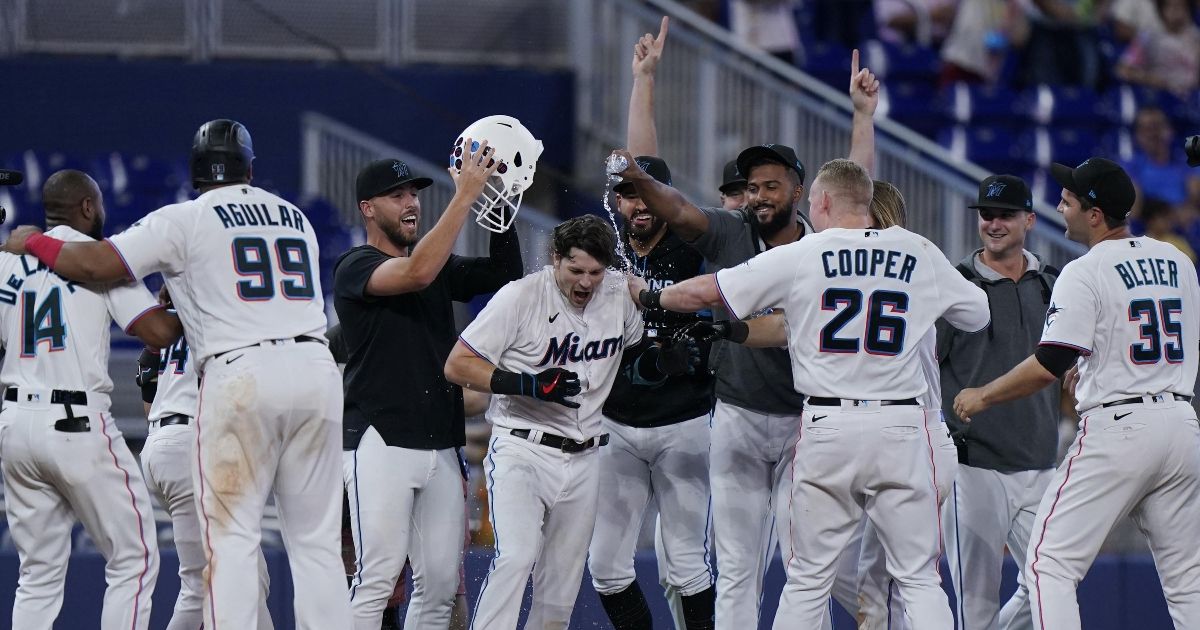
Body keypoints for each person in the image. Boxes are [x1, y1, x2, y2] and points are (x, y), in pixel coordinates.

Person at [4, 120, 352, 629]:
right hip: (316, 369)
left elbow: (99, 262)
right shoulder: (295, 215)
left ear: (195, 172)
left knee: (231, 540)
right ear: (250, 169)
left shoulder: (184, 218)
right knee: (317, 547)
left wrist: (33, 242)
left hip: (241, 375)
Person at [641, 158, 987, 629]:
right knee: (919, 580)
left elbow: (706, 292)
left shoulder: (806, 253)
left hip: (829, 425)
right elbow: (978, 313)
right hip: (904, 426)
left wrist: (648, 297)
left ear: (821, 201)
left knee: (807, 578)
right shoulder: (917, 250)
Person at [608, 47, 880, 629]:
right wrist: (635, 168)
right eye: (752, 186)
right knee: (736, 567)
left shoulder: (828, 243)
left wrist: (863, 117)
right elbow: (674, 205)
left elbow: (858, 192)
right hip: (736, 417)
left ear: (803, 191)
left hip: (810, 420)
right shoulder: (732, 231)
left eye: (771, 186)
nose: (758, 196)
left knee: (813, 565)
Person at [954, 157, 1200, 630]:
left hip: (1120, 429)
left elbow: (1050, 362)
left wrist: (983, 395)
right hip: (1180, 422)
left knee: (1050, 565)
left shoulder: (1084, 271)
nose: (1060, 205)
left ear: (1094, 214)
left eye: (1069, 200)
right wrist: (1096, 365)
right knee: (1187, 580)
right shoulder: (1179, 260)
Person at [444, 214, 693, 629]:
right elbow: (457, 365)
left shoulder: (616, 293)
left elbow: (632, 356)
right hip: (522, 446)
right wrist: (525, 383)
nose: (585, 281)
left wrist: (660, 360)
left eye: (595, 272)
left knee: (560, 590)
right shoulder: (520, 296)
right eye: (575, 270)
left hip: (585, 457)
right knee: (517, 556)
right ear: (554, 258)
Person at [336, 145, 521, 630]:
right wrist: (465, 195)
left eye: (414, 193)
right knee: (376, 581)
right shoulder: (355, 265)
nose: (411, 202)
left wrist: (497, 200)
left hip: (440, 439)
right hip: (380, 437)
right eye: (396, 196)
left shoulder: (432, 264)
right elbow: (416, 274)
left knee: (439, 587)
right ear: (367, 208)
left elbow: (505, 275)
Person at [0, 169, 183, 630]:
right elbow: (158, 335)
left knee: (37, 574)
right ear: (87, 207)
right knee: (134, 557)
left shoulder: (5, 261)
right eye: (98, 204)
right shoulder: (98, 260)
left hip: (16, 422)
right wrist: (194, 305)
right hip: (75, 422)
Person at [587, 17, 716, 630]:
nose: (636, 205)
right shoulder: (604, 246)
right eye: (626, 195)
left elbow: (645, 162)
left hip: (686, 422)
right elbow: (637, 163)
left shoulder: (693, 243)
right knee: (607, 568)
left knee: (687, 563)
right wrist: (642, 76)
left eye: (645, 195)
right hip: (616, 422)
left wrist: (646, 82)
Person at [938, 174, 1060, 630]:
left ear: (1029, 219)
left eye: (1006, 214)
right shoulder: (954, 284)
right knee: (976, 604)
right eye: (987, 215)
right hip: (975, 465)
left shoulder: (1054, 284)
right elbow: (926, 366)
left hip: (1040, 462)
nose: (994, 223)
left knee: (1051, 581)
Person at [137, 286, 275, 630]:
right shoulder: (226, 308)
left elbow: (146, 380)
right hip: (190, 444)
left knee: (252, 574)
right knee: (203, 584)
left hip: (166, 441)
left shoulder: (176, 317)